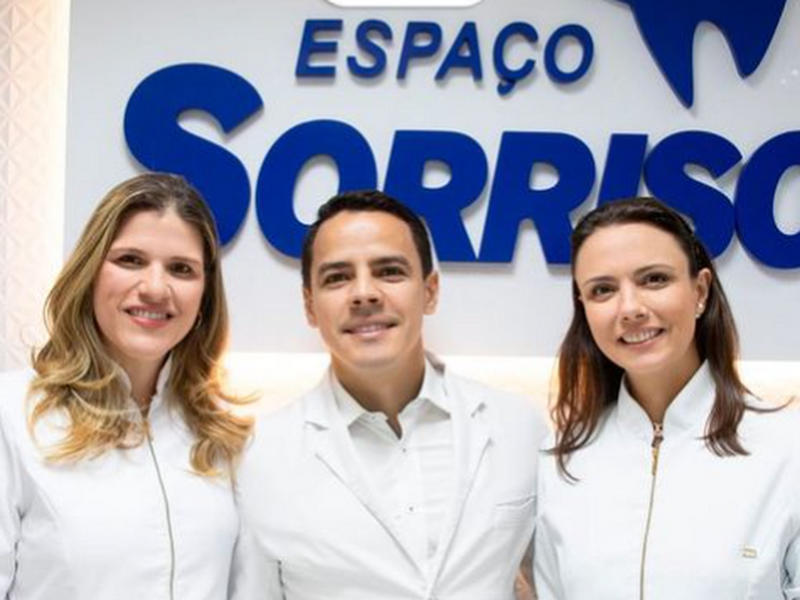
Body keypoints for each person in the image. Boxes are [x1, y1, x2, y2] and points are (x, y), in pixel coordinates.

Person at [232, 190, 548, 600]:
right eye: (337, 277)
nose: (364, 294)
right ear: (310, 306)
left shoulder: (519, 427)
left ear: (430, 291)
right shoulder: (261, 457)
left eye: (389, 271)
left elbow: (553, 580)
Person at [0, 173, 252, 600]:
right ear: (90, 273)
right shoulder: (12, 416)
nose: (155, 288)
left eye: (181, 269)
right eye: (130, 260)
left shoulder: (222, 436)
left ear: (205, 296)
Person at [534, 197, 800, 600]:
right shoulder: (561, 460)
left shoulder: (787, 448)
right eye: (603, 290)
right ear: (583, 307)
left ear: (700, 291)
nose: (630, 308)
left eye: (654, 279)